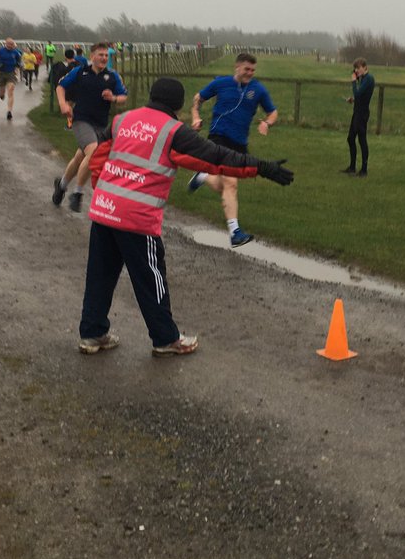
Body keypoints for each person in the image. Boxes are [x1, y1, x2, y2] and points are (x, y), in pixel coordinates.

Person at [78, 77, 293, 356]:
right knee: (151, 279)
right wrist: (261, 167)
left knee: (99, 275)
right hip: (137, 220)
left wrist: (106, 193)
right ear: (178, 105)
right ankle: (166, 339)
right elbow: (216, 157)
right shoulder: (173, 131)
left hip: (105, 210)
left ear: (152, 95)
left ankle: (92, 335)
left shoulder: (122, 120)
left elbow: (97, 158)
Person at [188, 52, 277, 246]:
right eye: (247, 69)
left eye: (253, 70)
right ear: (237, 67)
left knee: (224, 185)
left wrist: (267, 123)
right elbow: (198, 99)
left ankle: (202, 177)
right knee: (231, 183)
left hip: (240, 144)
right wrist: (195, 116)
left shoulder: (258, 90)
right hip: (218, 137)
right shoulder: (220, 83)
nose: (250, 73)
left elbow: (273, 111)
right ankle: (235, 232)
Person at [53, 43, 128, 213]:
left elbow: (124, 96)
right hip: (81, 120)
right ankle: (77, 194)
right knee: (93, 152)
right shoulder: (80, 72)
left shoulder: (113, 76)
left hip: (101, 123)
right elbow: (60, 86)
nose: (103, 58)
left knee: (81, 157)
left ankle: (62, 185)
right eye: (100, 55)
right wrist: (63, 104)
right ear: (92, 56)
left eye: (106, 56)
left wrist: (114, 98)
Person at [342, 58, 375, 176]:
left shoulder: (369, 79)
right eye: (355, 68)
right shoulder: (363, 79)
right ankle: (352, 167)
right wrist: (353, 100)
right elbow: (360, 95)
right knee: (350, 138)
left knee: (362, 140)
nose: (357, 70)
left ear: (365, 67)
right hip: (357, 112)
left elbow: (358, 92)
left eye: (359, 68)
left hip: (362, 114)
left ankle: (364, 169)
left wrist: (353, 81)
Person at [0, 38, 22, 120]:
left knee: (11, 90)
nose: (11, 46)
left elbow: (19, 60)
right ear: (6, 44)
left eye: (12, 44)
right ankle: (2, 94)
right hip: (1, 73)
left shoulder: (15, 52)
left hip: (11, 73)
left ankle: (9, 111)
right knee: (2, 92)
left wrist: (18, 64)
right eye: (9, 44)